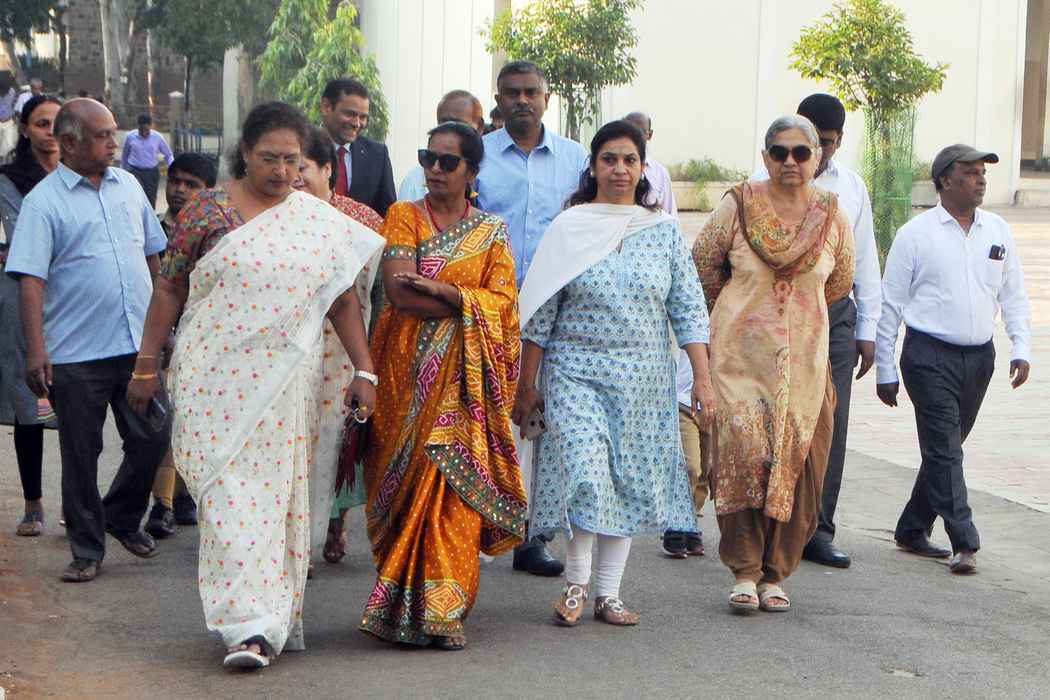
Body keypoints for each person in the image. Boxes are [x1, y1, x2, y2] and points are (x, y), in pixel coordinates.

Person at [127, 102, 384, 668]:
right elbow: (169, 289)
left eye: (292, 160)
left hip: (284, 385)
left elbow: (342, 301)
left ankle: (256, 627)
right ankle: (246, 617)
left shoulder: (313, 220)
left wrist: (364, 371)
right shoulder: (207, 210)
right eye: (269, 158)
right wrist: (146, 365)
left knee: (272, 500)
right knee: (225, 498)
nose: (282, 171)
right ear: (244, 153)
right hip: (214, 378)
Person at [512, 120, 714, 626]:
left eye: (629, 160)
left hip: (643, 381)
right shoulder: (570, 227)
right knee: (586, 473)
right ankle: (576, 586)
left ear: (643, 169)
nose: (620, 169)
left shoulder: (662, 230)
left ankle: (610, 594)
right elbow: (541, 312)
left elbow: (688, 308)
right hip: (574, 373)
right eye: (609, 159)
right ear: (593, 167)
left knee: (626, 480)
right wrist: (526, 384)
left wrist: (703, 378)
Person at [360, 121, 527, 650]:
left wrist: (445, 292)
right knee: (405, 489)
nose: (434, 169)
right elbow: (400, 294)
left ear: (471, 171)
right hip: (404, 376)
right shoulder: (403, 215)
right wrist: (462, 298)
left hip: (465, 384)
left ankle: (444, 609)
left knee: (454, 489)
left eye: (447, 162)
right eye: (427, 158)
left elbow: (506, 306)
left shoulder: (492, 232)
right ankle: (397, 605)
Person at [5, 98, 171, 582]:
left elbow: (154, 257)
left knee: (155, 434)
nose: (113, 143)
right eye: (102, 136)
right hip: (76, 354)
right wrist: (37, 351)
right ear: (70, 142)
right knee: (81, 453)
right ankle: (86, 549)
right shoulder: (43, 203)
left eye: (113, 132)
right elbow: (31, 281)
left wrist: (164, 326)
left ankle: (119, 514)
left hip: (137, 345)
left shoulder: (130, 187)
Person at [693, 115, 854, 613]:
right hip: (741, 361)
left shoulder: (831, 215)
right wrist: (739, 314)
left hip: (805, 364)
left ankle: (776, 574)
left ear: (817, 159)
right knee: (743, 457)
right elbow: (703, 265)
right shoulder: (738, 205)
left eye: (801, 153)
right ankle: (744, 570)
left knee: (799, 461)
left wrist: (798, 316)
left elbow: (840, 281)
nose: (790, 161)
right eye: (779, 152)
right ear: (765, 157)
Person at [876, 145, 1031, 576]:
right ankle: (965, 540)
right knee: (945, 450)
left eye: (983, 173)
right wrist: (885, 368)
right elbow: (890, 305)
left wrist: (1021, 347)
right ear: (945, 180)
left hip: (979, 358)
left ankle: (912, 527)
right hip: (929, 356)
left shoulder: (997, 230)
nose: (980, 180)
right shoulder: (915, 235)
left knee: (945, 448)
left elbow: (1013, 294)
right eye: (970, 172)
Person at [750, 94, 881, 569]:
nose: (814, 153)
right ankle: (769, 528)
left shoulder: (852, 188)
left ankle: (819, 529)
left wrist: (868, 329)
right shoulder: (759, 186)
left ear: (839, 141)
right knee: (772, 421)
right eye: (809, 142)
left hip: (834, 316)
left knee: (830, 422)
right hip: (775, 315)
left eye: (825, 143)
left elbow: (865, 260)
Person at [476, 59, 590, 577]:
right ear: (498, 99)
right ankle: (477, 524)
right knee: (483, 415)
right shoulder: (479, 156)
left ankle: (532, 535)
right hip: (486, 307)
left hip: (555, 311)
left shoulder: (575, 159)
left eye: (530, 92)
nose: (521, 100)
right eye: (511, 92)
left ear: (546, 98)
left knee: (542, 420)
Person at [291, 124, 383, 566]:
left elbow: (374, 291)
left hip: (343, 347)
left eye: (302, 166)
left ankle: (332, 524)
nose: (293, 176)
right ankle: (298, 544)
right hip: (293, 348)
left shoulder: (363, 221)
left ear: (328, 169)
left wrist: (371, 360)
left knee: (335, 437)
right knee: (297, 440)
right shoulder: (277, 218)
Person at [142, 152, 217, 539]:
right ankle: (163, 504)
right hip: (163, 337)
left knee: (195, 421)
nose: (180, 191)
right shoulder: (154, 230)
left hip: (203, 339)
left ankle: (184, 495)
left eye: (192, 185)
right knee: (168, 421)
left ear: (209, 191)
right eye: (175, 182)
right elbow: (156, 288)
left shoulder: (216, 233)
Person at [0, 94, 62, 537]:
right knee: (29, 403)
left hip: (71, 300)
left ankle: (78, 503)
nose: (51, 132)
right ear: (25, 129)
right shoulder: (7, 181)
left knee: (80, 408)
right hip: (20, 299)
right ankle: (33, 503)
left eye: (57, 123)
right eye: (42, 123)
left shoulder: (81, 178)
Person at [319, 78, 396, 217]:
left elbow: (388, 214)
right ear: (326, 107)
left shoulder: (377, 155)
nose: (357, 123)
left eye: (363, 117)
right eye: (350, 114)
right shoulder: (302, 149)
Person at [398, 90, 484, 202]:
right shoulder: (415, 182)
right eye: (443, 123)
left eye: (459, 125)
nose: (436, 169)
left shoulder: (494, 172)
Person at [623, 111, 677, 217]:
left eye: (640, 132)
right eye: (628, 130)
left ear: (650, 135)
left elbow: (670, 214)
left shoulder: (660, 173)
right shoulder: (612, 169)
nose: (633, 136)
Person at [120, 113, 173, 208]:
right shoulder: (130, 137)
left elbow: (168, 154)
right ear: (138, 127)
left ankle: (150, 215)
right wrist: (123, 172)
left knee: (150, 198)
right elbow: (125, 155)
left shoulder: (158, 138)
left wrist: (171, 167)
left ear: (150, 126)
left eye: (146, 130)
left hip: (151, 172)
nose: (144, 133)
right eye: (141, 130)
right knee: (135, 194)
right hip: (135, 170)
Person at [0, 74, 18, 160]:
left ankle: (5, 160)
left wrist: (13, 116)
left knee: (9, 144)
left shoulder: (12, 92)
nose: (4, 93)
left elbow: (16, 105)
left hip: (9, 121)